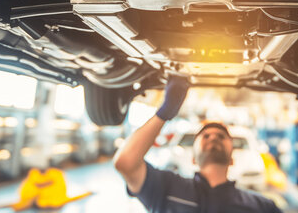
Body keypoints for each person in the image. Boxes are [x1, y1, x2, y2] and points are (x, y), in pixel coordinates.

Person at [114, 75, 283, 213]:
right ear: (193, 158)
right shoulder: (166, 187)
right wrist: (164, 113)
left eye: (221, 136)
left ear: (232, 159)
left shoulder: (261, 206)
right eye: (206, 136)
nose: (213, 137)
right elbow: (126, 163)